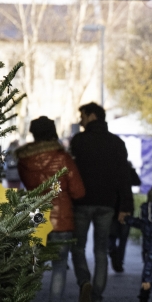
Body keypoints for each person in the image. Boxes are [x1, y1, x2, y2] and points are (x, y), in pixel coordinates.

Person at [16, 116, 85, 302]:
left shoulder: (23, 159)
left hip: (36, 216)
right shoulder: (63, 157)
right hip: (61, 218)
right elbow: (78, 191)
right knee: (60, 265)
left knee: (33, 264)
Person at [70, 102, 134, 302]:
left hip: (82, 202)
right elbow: (124, 176)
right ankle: (96, 294)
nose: (80, 120)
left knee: (78, 246)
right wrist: (125, 206)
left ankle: (84, 282)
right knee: (100, 250)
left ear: (92, 116)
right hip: (107, 204)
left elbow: (71, 173)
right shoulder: (116, 143)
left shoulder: (79, 141)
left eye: (82, 116)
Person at [108, 161, 141, 273]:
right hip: (126, 208)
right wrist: (131, 169)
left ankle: (112, 250)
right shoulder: (127, 168)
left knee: (111, 235)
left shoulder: (110, 168)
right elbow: (137, 182)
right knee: (123, 238)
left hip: (112, 206)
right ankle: (119, 262)